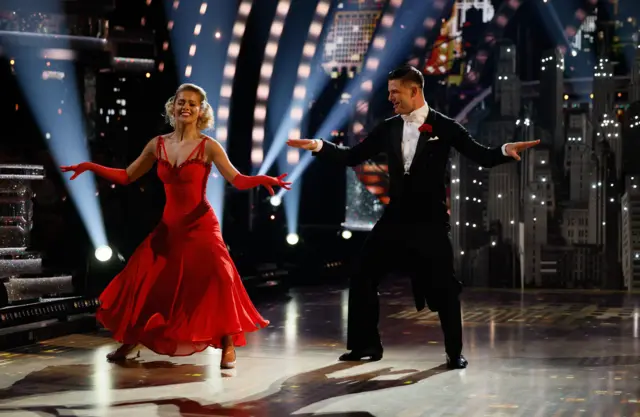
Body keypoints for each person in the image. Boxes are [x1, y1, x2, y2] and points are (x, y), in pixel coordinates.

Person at [287, 65, 538, 369]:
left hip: (430, 221)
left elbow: (481, 155)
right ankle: (366, 345)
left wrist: (503, 149)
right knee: (362, 274)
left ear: (414, 91)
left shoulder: (445, 127)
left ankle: (454, 351)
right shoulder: (389, 127)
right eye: (389, 91)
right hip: (395, 219)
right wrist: (319, 146)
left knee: (445, 287)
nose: (390, 97)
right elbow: (353, 156)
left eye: (395, 92)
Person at [61, 83, 291, 368]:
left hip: (202, 224)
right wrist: (90, 167)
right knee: (146, 281)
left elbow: (238, 179)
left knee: (221, 277)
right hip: (169, 229)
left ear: (200, 111)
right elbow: (126, 176)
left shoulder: (209, 146)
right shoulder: (157, 145)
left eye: (193, 104)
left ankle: (228, 342)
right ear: (173, 107)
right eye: (182, 102)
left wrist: (264, 180)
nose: (186, 107)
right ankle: (131, 341)